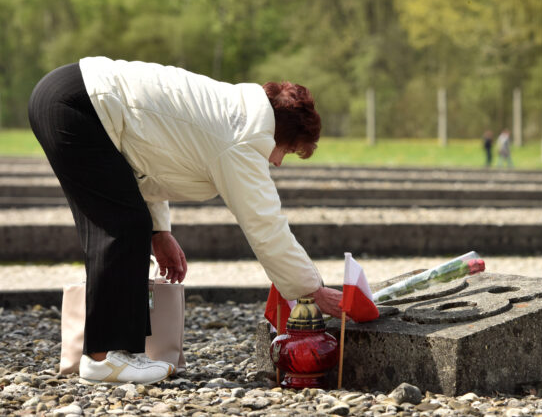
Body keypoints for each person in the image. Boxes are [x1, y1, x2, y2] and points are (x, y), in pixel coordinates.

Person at [28, 56, 342, 385]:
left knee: (127, 222)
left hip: (68, 95)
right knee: (122, 227)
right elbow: (266, 226)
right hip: (79, 105)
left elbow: (149, 163)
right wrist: (311, 289)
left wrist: (160, 230)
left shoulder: (231, 112)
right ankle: (105, 358)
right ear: (281, 132)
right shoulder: (243, 137)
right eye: (287, 152)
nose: (278, 163)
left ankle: (109, 355)